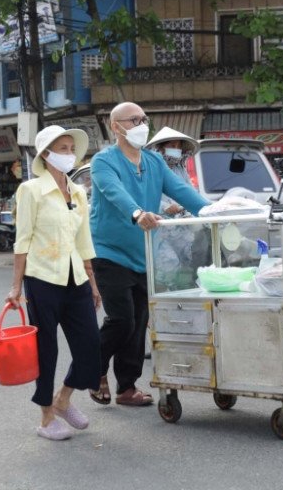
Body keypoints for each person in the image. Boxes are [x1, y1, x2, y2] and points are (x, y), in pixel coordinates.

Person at [89, 102, 209, 406]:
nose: (142, 125)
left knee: (140, 320)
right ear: (116, 127)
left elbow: (181, 191)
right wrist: (137, 212)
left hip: (145, 253)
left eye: (145, 119)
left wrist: (211, 210)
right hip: (109, 252)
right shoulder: (104, 162)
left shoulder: (155, 162)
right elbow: (114, 192)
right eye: (134, 120)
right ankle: (94, 369)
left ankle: (126, 387)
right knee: (122, 319)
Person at [6, 125, 102, 441]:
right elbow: (23, 240)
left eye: (71, 148)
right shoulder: (31, 190)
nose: (69, 154)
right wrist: (16, 287)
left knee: (91, 346)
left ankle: (64, 399)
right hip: (42, 278)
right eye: (62, 148)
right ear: (46, 155)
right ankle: (46, 417)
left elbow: (83, 239)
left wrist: (93, 282)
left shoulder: (77, 192)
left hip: (75, 278)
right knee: (46, 350)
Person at [145, 126, 199, 217]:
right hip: (159, 222)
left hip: (181, 222)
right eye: (173, 146)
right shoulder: (150, 170)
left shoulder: (180, 169)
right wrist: (164, 207)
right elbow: (144, 197)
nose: (176, 149)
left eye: (178, 146)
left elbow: (191, 192)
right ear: (161, 148)